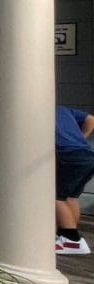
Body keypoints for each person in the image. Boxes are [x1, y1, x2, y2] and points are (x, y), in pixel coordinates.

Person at [55, 105, 94, 255]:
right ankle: (66, 234)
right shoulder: (61, 109)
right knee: (70, 198)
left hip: (67, 156)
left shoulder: (35, 112)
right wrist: (80, 138)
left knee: (55, 197)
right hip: (87, 154)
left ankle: (72, 240)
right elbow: (91, 119)